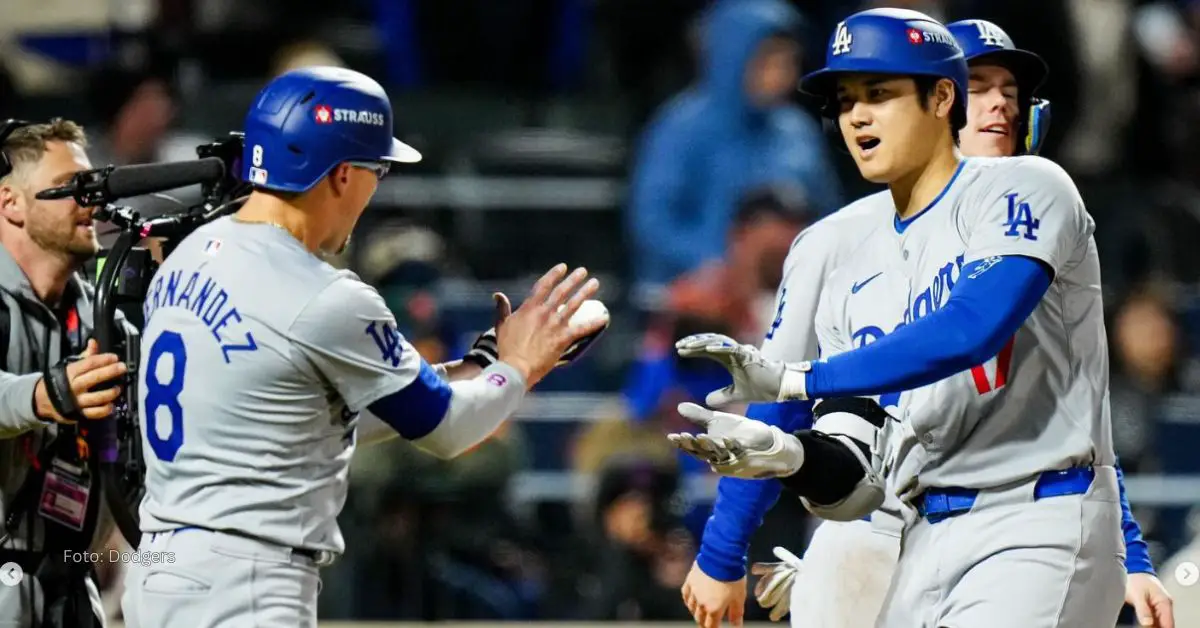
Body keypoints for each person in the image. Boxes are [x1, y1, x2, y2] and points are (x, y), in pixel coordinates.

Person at [687, 18, 1176, 628]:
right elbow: (828, 421)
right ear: (942, 101)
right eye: (978, 85)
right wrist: (732, 542)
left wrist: (1127, 550)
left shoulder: (1032, 200)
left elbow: (1061, 407)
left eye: (1010, 90)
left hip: (1029, 513)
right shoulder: (845, 242)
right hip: (907, 521)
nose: (999, 102)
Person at [118, 66, 606, 627]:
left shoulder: (189, 251)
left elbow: (307, 410)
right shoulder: (323, 295)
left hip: (157, 571)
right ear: (344, 173)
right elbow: (448, 428)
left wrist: (485, 362)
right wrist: (523, 365)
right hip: (246, 581)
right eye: (378, 170)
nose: (378, 188)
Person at [0, 118, 132, 627]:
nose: (93, 201)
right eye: (73, 187)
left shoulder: (105, 320)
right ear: (11, 202)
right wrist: (46, 393)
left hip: (74, 585)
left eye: (93, 185)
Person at [625, 0, 842, 296]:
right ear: (732, 58)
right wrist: (720, 264)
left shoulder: (797, 131)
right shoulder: (680, 128)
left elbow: (828, 215)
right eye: (767, 62)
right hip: (691, 300)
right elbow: (652, 223)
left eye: (789, 62)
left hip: (785, 295)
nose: (781, 75)